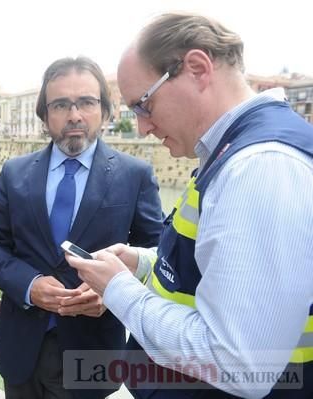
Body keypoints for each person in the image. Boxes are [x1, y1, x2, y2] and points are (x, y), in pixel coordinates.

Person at [66, 12, 313, 399]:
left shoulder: (261, 166)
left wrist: (118, 289)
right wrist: (144, 263)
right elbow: (217, 265)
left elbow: (241, 364)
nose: (143, 127)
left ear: (197, 68)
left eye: (143, 105)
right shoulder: (233, 153)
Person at [0, 56, 163, 399]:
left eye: (86, 102)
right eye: (61, 104)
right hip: (21, 347)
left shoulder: (134, 174)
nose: (74, 115)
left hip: (92, 351)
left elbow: (158, 254)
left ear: (105, 111)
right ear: (45, 115)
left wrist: (114, 293)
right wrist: (29, 285)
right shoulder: (15, 173)